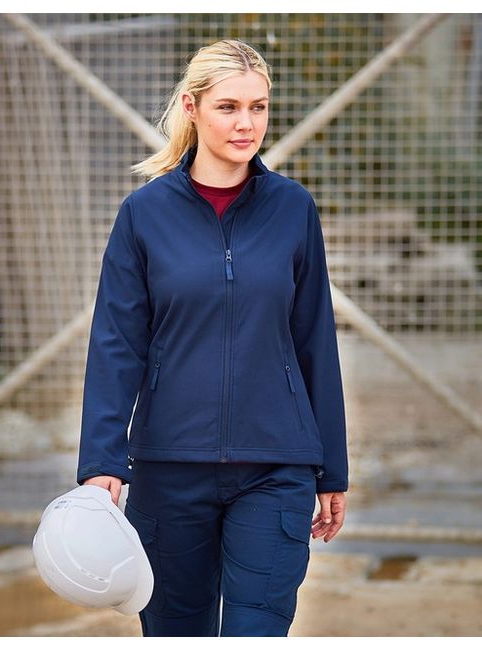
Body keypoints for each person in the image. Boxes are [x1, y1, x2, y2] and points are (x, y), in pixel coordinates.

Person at [76, 39, 348, 637]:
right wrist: (101, 461)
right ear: (191, 108)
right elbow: (117, 343)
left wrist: (332, 468)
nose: (247, 123)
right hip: (168, 467)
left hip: (276, 465)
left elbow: (314, 341)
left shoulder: (293, 209)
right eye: (229, 107)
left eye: (259, 107)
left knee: (256, 632)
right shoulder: (144, 215)